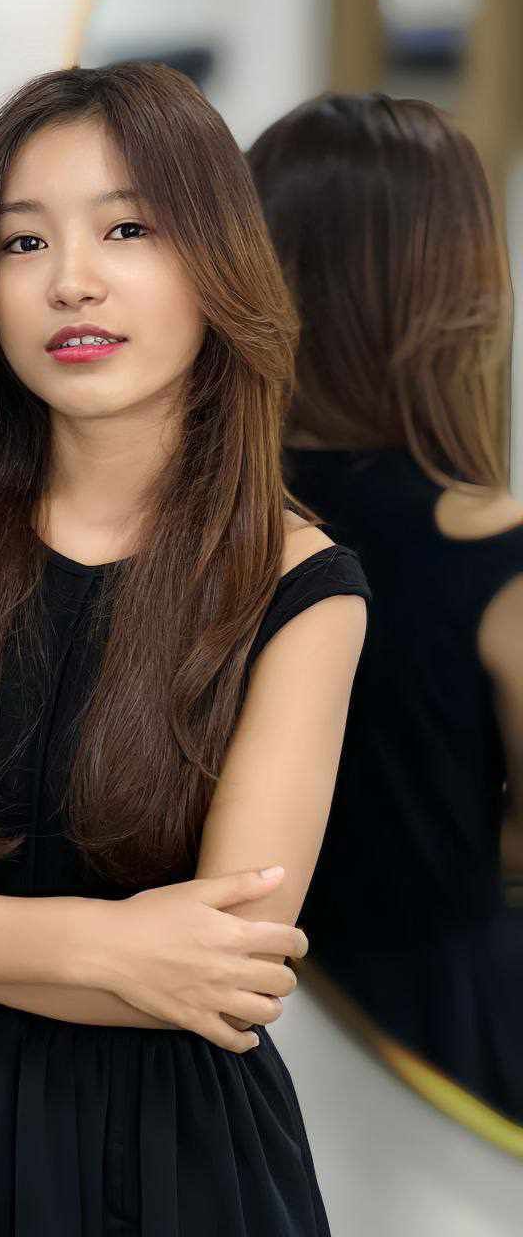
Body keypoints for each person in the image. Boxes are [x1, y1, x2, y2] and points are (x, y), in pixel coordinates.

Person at [0, 62, 371, 1235]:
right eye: (23, 242)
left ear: (216, 262)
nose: (72, 280)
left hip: (174, 1163)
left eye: (128, 228)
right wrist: (111, 942)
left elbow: (220, 976)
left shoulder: (301, 586)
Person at [248, 92, 523, 1124]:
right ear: (460, 289)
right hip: (427, 1027)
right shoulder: (493, 547)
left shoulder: (185, 524)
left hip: (210, 1005)